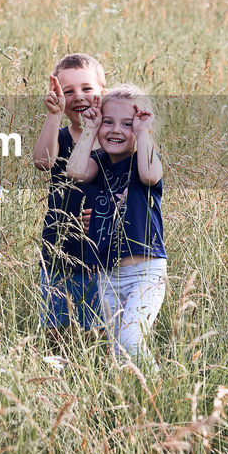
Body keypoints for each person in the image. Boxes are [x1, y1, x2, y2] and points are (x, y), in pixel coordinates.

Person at [67, 85, 167, 369]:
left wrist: (143, 131)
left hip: (145, 273)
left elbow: (149, 177)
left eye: (127, 124)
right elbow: (75, 171)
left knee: (131, 340)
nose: (116, 130)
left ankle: (157, 393)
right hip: (108, 273)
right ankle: (133, 403)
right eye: (108, 121)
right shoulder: (99, 163)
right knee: (116, 347)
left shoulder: (143, 162)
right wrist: (90, 128)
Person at [32, 53, 107, 348]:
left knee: (100, 330)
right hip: (60, 247)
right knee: (57, 330)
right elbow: (42, 162)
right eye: (69, 91)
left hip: (105, 249)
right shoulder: (61, 136)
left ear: (103, 89)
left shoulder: (115, 138)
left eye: (87, 88)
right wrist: (53, 115)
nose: (79, 97)